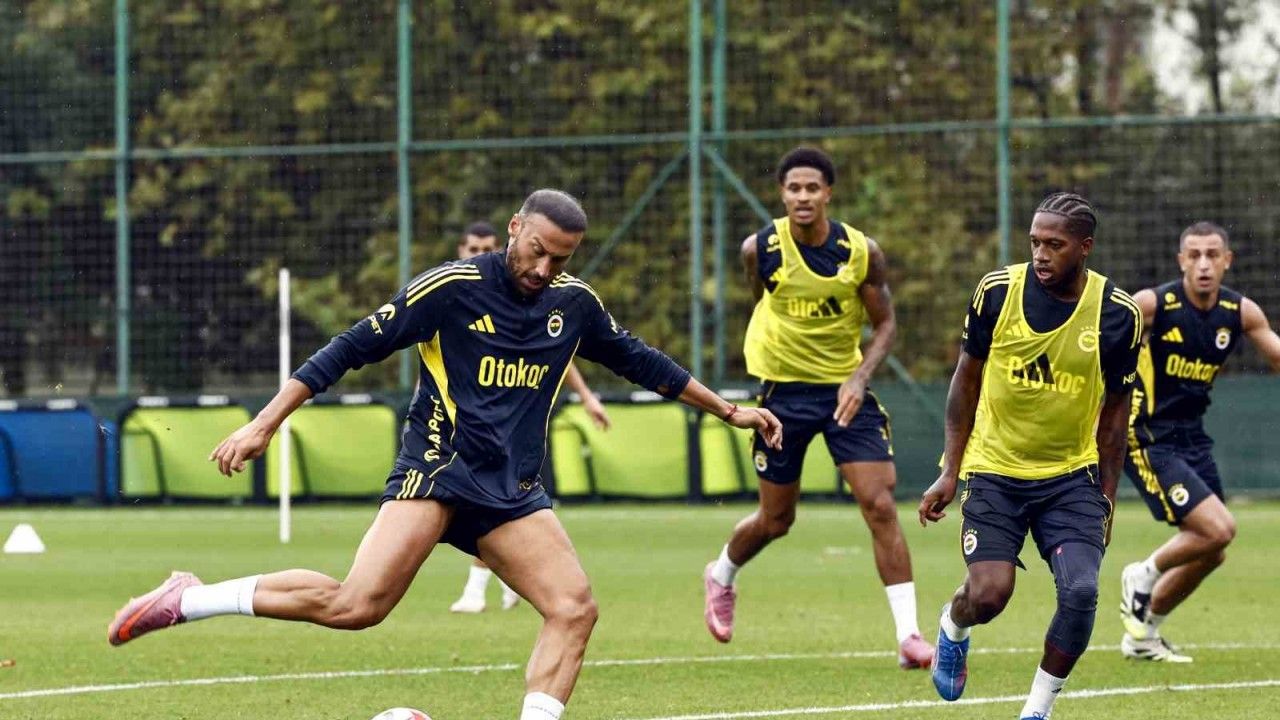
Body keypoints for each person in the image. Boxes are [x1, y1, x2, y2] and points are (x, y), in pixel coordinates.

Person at [107, 189, 782, 720]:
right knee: (356, 606)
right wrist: (264, 423)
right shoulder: (452, 287)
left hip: (510, 490)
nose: (544, 269)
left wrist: (729, 411)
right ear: (515, 228)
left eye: (561, 260)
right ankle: (189, 599)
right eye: (538, 251)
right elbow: (349, 348)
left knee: (574, 608)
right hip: (438, 471)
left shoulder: (573, 305)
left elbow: (642, 361)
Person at [700, 146, 933, 669]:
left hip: (844, 393)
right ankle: (721, 575)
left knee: (879, 504)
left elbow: (886, 325)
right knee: (776, 519)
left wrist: (858, 377)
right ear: (781, 194)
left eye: (812, 188)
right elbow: (760, 301)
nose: (802, 196)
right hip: (782, 396)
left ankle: (909, 637)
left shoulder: (862, 252)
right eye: (793, 188)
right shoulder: (759, 250)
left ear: (828, 193)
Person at [918, 192, 1141, 719]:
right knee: (989, 595)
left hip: (1070, 477)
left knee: (1081, 592)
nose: (1041, 254)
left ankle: (1036, 711)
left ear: (1085, 247)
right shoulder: (997, 292)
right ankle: (953, 625)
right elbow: (965, 381)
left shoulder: (1117, 314)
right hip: (994, 470)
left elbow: (1115, 416)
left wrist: (1107, 498)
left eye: (1055, 245)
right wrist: (950, 469)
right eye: (1035, 242)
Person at [1118, 221, 1280, 662]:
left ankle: (1142, 636)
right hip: (1148, 436)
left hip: (1191, 436)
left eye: (1212, 255)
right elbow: (1099, 345)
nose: (1204, 264)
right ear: (1181, 261)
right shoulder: (1153, 304)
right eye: (1194, 255)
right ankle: (1142, 574)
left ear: (1227, 261)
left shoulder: (1240, 312)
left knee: (1212, 550)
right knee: (1220, 529)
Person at [448, 221, 612, 614]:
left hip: (514, 424)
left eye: (486, 248)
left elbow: (560, 351)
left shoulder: (527, 291)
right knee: (470, 507)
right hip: (458, 423)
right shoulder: (450, 290)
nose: (479, 254)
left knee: (491, 502)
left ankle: (479, 587)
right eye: (473, 249)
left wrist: (586, 397)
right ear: (461, 250)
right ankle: (509, 577)